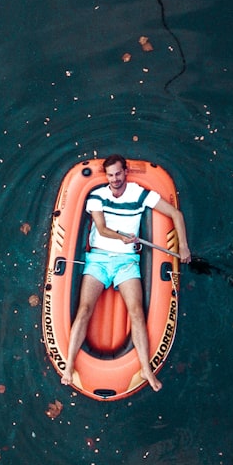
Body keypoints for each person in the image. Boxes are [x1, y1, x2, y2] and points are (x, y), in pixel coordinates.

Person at [60, 154, 191, 392]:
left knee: (137, 312)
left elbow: (176, 214)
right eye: (110, 175)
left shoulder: (139, 194)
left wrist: (183, 246)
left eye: (118, 174)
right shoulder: (97, 196)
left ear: (125, 172)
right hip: (99, 259)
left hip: (126, 261)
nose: (114, 179)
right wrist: (121, 237)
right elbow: (100, 228)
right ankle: (69, 365)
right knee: (85, 309)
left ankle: (146, 370)